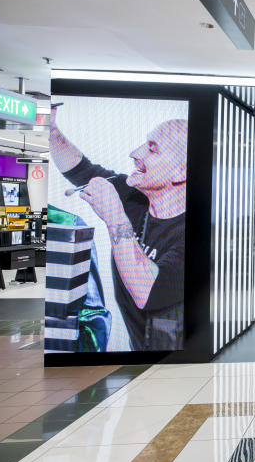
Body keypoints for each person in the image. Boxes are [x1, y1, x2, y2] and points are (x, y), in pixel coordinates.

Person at [49, 106, 187, 351]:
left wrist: (114, 217)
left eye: (152, 149)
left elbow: (148, 293)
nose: (135, 153)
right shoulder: (134, 198)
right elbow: (82, 171)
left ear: (182, 172)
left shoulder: (192, 233)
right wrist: (50, 130)